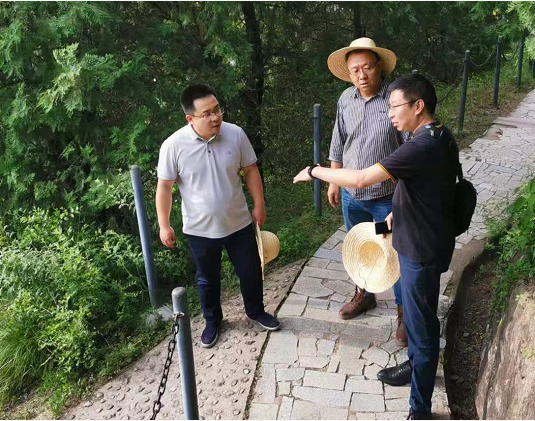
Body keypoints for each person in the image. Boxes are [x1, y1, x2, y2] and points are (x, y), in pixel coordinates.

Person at [293, 74, 458, 420]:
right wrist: (395, 216)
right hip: (425, 236)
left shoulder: (420, 146)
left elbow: (359, 178)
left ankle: (420, 409)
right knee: (419, 317)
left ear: (418, 106)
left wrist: (315, 171)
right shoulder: (439, 134)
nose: (390, 114)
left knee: (421, 325)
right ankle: (415, 365)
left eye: (394, 107)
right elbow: (430, 187)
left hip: (420, 251)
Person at [156, 83, 280, 349]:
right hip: (199, 229)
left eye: (217, 109)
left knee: (250, 271)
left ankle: (256, 311)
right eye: (207, 113)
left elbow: (251, 170)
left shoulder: (235, 134)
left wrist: (259, 204)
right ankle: (213, 321)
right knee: (207, 280)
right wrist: (164, 225)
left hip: (239, 222)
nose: (215, 117)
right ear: (190, 118)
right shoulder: (173, 146)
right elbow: (164, 187)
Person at [326, 37, 408, 345]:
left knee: (393, 253)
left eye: (367, 68)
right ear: (348, 74)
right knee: (360, 248)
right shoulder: (345, 99)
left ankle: (403, 311)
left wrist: (404, 195)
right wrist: (334, 179)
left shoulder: (395, 99)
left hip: (386, 197)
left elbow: (408, 147)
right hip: (352, 197)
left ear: (379, 67)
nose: (361, 75)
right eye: (355, 70)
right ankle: (365, 294)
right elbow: (338, 140)